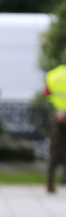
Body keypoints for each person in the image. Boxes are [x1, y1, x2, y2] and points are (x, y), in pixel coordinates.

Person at [45, 50, 66, 194]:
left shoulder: (52, 74)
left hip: (58, 117)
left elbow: (47, 93)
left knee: (55, 150)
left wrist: (59, 110)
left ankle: (50, 182)